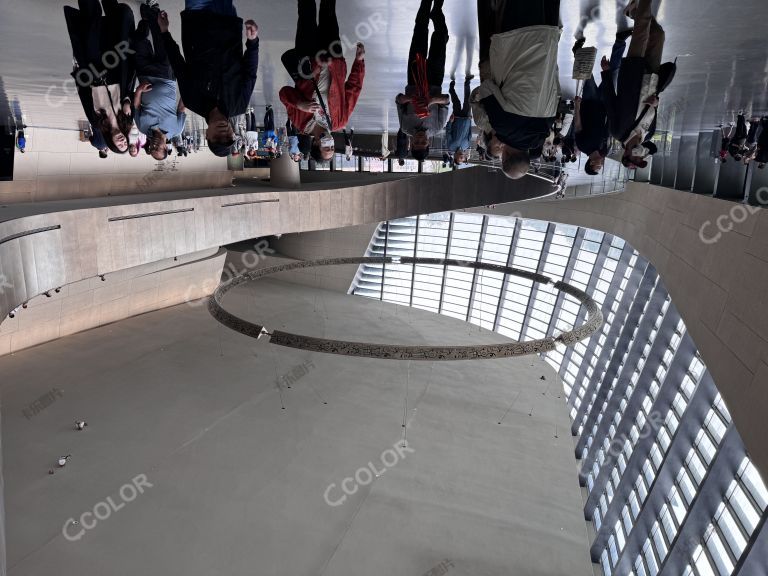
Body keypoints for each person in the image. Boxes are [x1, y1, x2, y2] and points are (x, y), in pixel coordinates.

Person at [473, 0, 562, 180]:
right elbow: (487, 88)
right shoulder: (504, 126)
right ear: (504, 156)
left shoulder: (546, 126)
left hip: (548, 40)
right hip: (518, 38)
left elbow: (555, 89)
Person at [159, 2, 259, 157]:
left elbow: (178, 65)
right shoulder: (239, 104)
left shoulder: (192, 100)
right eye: (228, 137)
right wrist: (252, 43)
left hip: (197, 19)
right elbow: (250, 74)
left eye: (218, 138)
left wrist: (164, 32)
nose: (223, 133)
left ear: (207, 135)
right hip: (227, 21)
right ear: (233, 133)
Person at [279, 0, 365, 165]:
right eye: (332, 148)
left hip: (308, 59)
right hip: (334, 59)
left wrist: (300, 104)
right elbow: (353, 89)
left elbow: (284, 93)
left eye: (327, 148)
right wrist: (359, 62)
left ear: (315, 144)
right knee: (329, 14)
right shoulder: (340, 121)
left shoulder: (300, 121)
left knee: (306, 13)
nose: (331, 145)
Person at [600, 0, 666, 169]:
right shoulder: (649, 134)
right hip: (651, 78)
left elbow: (610, 101)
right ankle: (633, 14)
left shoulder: (617, 132)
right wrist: (656, 103)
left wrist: (606, 74)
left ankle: (640, 11)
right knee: (658, 36)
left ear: (626, 155)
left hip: (632, 74)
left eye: (635, 160)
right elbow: (654, 109)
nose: (638, 157)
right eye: (640, 160)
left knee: (642, 31)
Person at [64, 0, 136, 155]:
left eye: (119, 145)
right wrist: (127, 102)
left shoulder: (97, 123)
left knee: (90, 31)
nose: (122, 141)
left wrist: (79, 73)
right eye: (125, 143)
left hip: (94, 72)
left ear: (112, 143)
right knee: (111, 29)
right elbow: (131, 92)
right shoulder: (128, 120)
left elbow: (85, 97)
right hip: (115, 69)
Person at [396, 0, 450, 162]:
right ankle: (437, 11)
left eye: (416, 142)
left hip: (414, 78)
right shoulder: (438, 127)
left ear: (410, 144)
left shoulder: (405, 127)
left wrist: (414, 99)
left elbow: (399, 100)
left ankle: (426, 4)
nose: (420, 138)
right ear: (429, 142)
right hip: (434, 80)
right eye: (423, 142)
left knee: (420, 33)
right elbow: (446, 100)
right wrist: (431, 100)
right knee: (441, 37)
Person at [131, 2, 186, 150]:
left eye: (151, 149)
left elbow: (136, 107)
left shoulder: (143, 128)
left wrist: (138, 91)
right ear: (166, 147)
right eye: (158, 149)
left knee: (137, 42)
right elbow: (181, 108)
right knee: (160, 39)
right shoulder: (176, 130)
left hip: (144, 75)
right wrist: (187, 88)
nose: (154, 146)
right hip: (166, 76)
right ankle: (153, 10)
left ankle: (146, 20)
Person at [574, 77, 609, 175]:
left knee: (588, 73)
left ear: (591, 163)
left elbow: (577, 126)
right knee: (611, 73)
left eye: (598, 167)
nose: (601, 165)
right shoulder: (602, 147)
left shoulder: (583, 146)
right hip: (603, 105)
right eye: (600, 167)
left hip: (589, 102)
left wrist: (577, 106)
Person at [444, 79, 473, 166]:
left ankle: (451, 90)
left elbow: (448, 132)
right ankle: (467, 83)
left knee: (456, 102)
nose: (462, 158)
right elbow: (469, 133)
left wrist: (450, 121)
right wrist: (470, 121)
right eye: (463, 159)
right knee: (468, 100)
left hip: (456, 118)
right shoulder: (466, 146)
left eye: (459, 159)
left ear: (455, 157)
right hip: (466, 118)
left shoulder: (451, 147)